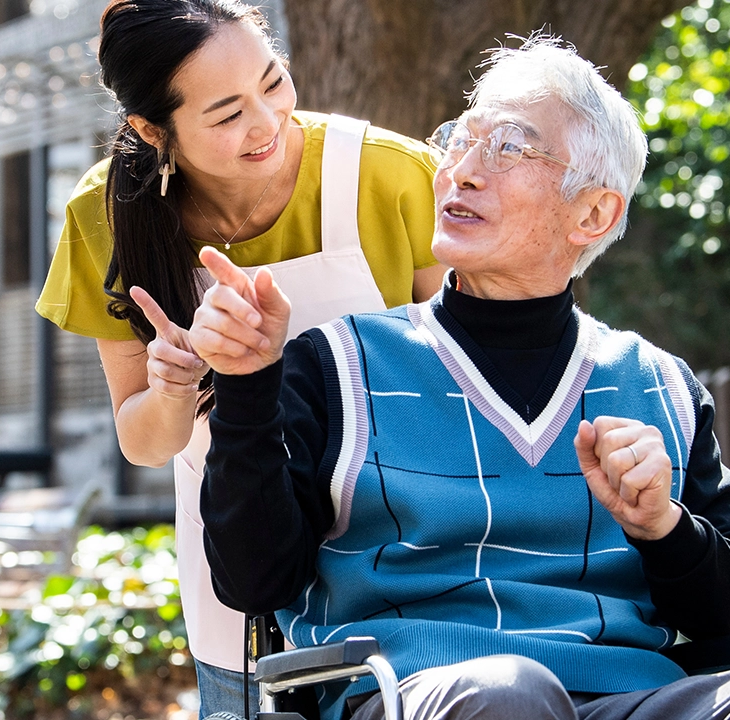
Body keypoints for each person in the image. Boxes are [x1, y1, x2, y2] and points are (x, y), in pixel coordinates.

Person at [192, 36, 730, 720]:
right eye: (463, 137)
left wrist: (661, 527)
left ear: (594, 213)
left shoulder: (658, 383)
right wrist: (249, 384)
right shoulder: (334, 362)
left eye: (509, 146)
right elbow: (254, 584)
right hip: (432, 696)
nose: (462, 168)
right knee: (511, 695)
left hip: (630, 698)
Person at [34, 1, 444, 715]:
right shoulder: (106, 215)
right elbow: (142, 442)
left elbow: (467, 378)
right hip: (238, 567)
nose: (268, 122)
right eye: (226, 115)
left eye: (274, 81)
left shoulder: (391, 174)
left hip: (412, 553)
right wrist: (171, 389)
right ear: (152, 132)